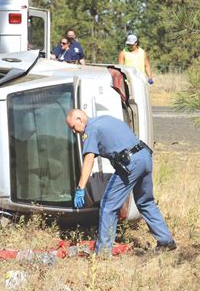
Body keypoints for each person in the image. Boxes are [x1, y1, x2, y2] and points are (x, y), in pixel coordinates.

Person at [65, 109, 176, 255]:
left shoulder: (91, 129)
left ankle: (103, 252)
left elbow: (89, 159)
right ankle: (166, 241)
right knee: (145, 202)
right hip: (144, 156)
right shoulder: (105, 119)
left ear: (80, 119)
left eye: (73, 127)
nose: (75, 132)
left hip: (131, 163)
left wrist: (80, 188)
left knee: (108, 205)